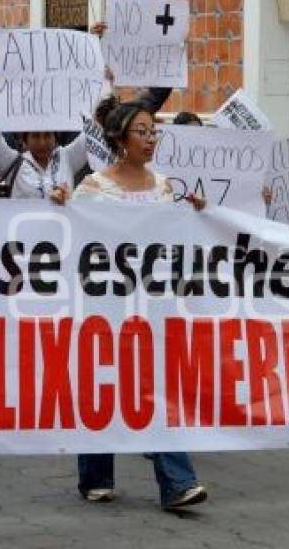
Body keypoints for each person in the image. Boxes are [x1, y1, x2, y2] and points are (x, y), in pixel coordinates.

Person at [70, 96, 207, 510]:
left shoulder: (165, 187)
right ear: (118, 138)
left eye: (154, 132)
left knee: (160, 389)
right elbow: (75, 240)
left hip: (155, 309)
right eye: (142, 132)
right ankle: (96, 474)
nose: (150, 140)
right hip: (107, 307)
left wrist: (199, 215)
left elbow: (174, 242)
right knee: (105, 384)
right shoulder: (93, 189)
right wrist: (61, 206)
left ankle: (177, 483)